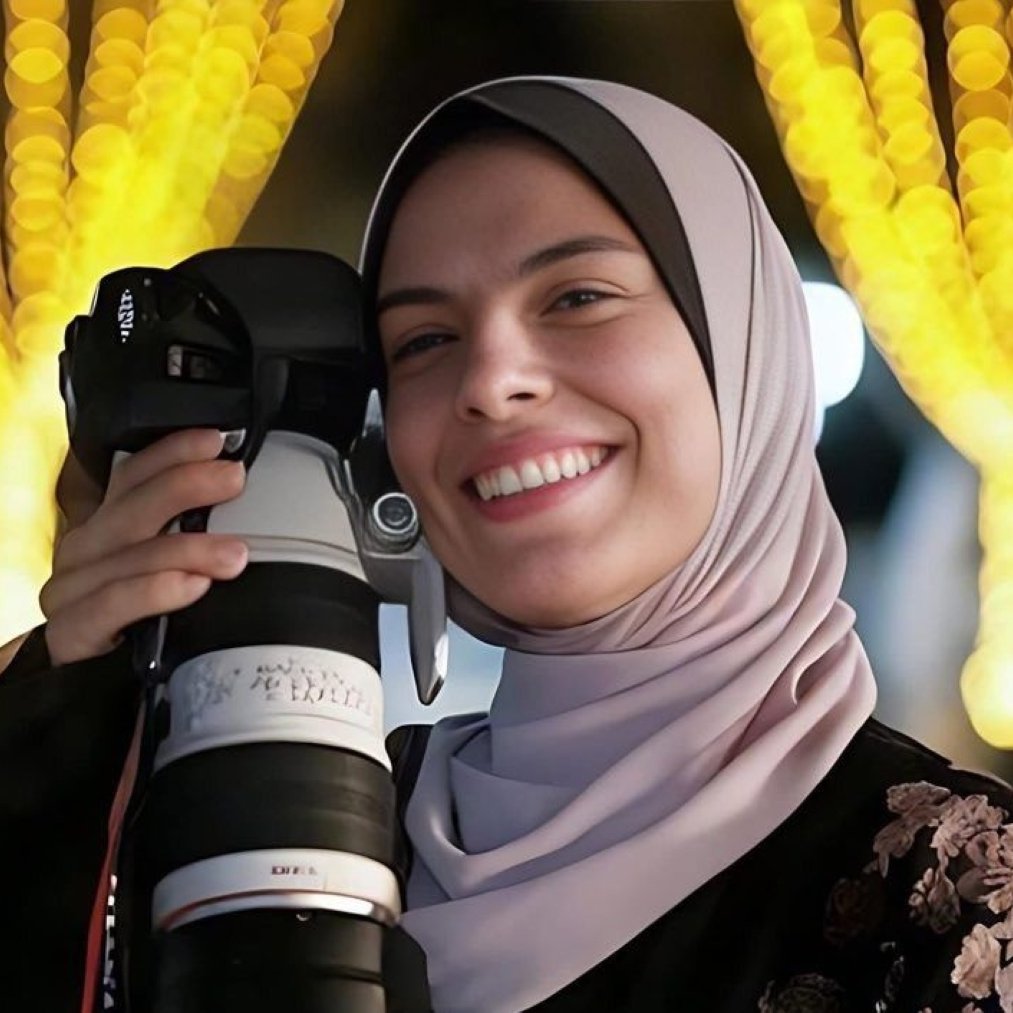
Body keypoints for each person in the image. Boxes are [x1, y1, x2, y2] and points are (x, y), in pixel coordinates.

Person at [1, 75, 1011, 1013]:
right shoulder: (287, 827)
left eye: (576, 297)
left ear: (744, 351)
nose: (490, 379)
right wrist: (65, 736)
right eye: (423, 341)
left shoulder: (954, 891)